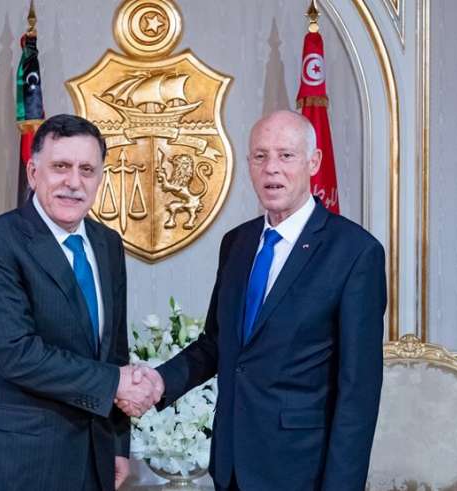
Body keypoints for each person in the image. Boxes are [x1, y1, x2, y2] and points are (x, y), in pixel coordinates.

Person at [123, 110, 387, 490]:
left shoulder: (354, 253)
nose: (271, 168)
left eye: (286, 155)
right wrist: (159, 382)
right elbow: (217, 343)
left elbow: (358, 392)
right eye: (260, 156)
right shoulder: (238, 242)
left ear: (314, 162)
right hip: (231, 465)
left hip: (301, 471)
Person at [0, 114, 160, 491]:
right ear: (33, 173)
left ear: (99, 178)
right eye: (61, 166)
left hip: (93, 454)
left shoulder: (107, 244)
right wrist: (115, 382)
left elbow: (113, 349)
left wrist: (117, 443)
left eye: (87, 170)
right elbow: (14, 353)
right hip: (18, 462)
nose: (74, 182)